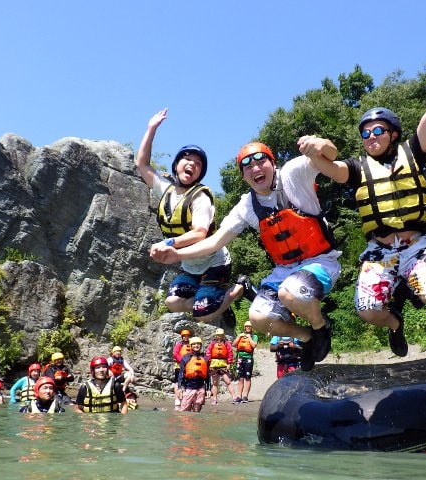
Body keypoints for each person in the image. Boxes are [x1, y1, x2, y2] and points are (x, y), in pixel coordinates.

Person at [151, 136, 346, 371]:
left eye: (261, 161)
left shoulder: (294, 172)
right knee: (259, 318)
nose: (255, 168)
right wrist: (177, 254)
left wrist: (321, 144)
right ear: (244, 176)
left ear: (273, 164)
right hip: (284, 270)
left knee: (288, 293)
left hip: (320, 261)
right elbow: (214, 242)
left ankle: (320, 326)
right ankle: (307, 337)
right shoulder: (246, 206)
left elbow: (331, 157)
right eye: (247, 166)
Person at [336, 39, 426, 357]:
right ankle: (396, 323)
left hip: (416, 248)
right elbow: (331, 167)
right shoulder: (357, 168)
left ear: (393, 133)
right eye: (365, 133)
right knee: (367, 312)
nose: (370, 137)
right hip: (380, 252)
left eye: (377, 130)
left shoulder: (414, 152)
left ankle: (411, 282)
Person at [136, 108, 244, 327]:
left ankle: (237, 289)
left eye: (198, 164)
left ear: (199, 174)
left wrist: (168, 244)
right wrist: (151, 129)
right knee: (173, 303)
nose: (192, 164)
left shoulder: (200, 197)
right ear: (176, 165)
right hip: (191, 266)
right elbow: (142, 164)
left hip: (214, 262)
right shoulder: (165, 189)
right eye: (187, 159)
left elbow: (200, 233)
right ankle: (216, 301)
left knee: (202, 314)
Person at [176, 336, 211, 412]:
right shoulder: (186, 358)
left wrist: (208, 389)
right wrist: (180, 388)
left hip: (200, 388)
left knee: (196, 411)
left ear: (201, 345)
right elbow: (181, 373)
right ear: (191, 346)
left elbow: (208, 375)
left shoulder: (205, 358)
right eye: (194, 344)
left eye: (198, 344)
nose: (196, 346)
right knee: (184, 411)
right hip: (188, 387)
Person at [205, 328, 236, 404]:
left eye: (221, 335)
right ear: (216, 335)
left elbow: (230, 353)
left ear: (223, 335)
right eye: (218, 335)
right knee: (215, 383)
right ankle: (214, 399)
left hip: (223, 365)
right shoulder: (212, 343)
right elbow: (208, 353)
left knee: (228, 381)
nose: (219, 337)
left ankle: (234, 397)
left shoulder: (226, 343)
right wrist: (208, 364)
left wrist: (229, 363)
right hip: (214, 364)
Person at [232, 321, 258, 403]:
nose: (248, 328)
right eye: (247, 326)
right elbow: (234, 344)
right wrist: (239, 336)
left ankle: (245, 396)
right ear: (245, 327)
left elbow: (253, 345)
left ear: (252, 328)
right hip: (240, 358)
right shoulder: (240, 335)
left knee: (247, 377)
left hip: (249, 358)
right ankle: (239, 396)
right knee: (240, 378)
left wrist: (249, 337)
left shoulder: (254, 336)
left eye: (249, 326)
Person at [172, 328, 193, 410]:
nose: (186, 337)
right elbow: (175, 353)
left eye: (187, 336)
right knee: (177, 382)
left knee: (186, 382)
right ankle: (177, 398)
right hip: (179, 365)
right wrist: (182, 361)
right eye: (184, 336)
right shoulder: (179, 344)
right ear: (182, 337)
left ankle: (185, 398)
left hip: (189, 366)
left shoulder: (191, 344)